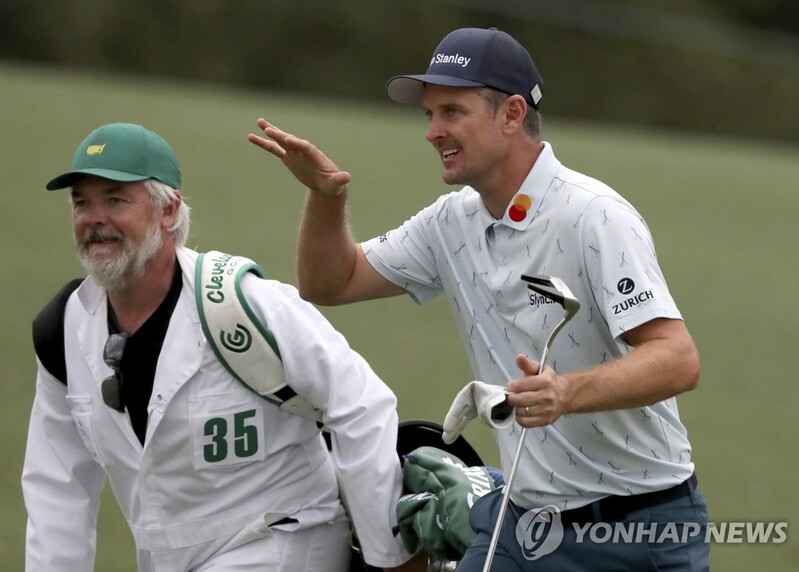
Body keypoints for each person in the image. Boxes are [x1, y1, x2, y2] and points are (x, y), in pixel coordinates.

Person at [248, 27, 709, 571]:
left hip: (639, 526)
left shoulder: (594, 216)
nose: (433, 131)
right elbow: (331, 282)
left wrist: (566, 392)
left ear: (511, 114)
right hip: (525, 523)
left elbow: (678, 358)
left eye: (452, 112)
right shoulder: (451, 222)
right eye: (429, 115)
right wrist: (326, 197)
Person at [22, 122, 425, 572]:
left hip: (281, 539)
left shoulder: (240, 302)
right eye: (82, 203)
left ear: (169, 210)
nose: (93, 218)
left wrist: (390, 556)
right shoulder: (63, 330)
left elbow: (360, 401)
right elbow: (57, 483)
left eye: (114, 199)